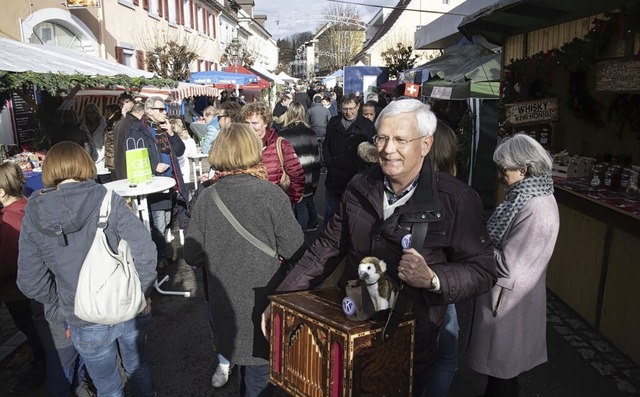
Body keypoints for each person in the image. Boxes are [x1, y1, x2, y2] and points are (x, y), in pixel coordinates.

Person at [263, 98, 497, 397]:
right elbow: (324, 248)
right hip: (353, 329)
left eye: (401, 140)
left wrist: (434, 279)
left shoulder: (456, 199)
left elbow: (483, 269)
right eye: (382, 138)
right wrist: (282, 300)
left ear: (425, 145)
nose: (387, 149)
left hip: (410, 344)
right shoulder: (360, 185)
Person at [16, 141, 157, 397]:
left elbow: (30, 281)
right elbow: (145, 251)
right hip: (126, 305)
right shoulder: (109, 200)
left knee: (107, 386)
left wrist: (64, 304)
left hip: (81, 316)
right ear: (86, 164)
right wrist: (143, 291)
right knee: (138, 368)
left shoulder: (34, 215)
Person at [184, 123, 304, 396]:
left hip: (224, 300)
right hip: (264, 301)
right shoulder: (272, 195)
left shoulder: (207, 197)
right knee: (260, 375)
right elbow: (296, 250)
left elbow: (192, 253)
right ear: (254, 150)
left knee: (239, 365)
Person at [467, 133, 559, 397]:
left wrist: (477, 245)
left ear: (524, 168)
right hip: (508, 301)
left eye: (503, 168)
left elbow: (510, 266)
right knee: (500, 375)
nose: (499, 175)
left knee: (503, 376)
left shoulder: (535, 206)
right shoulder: (526, 195)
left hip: (508, 304)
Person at [0, 161, 46, 393]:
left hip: (17, 291)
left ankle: (42, 364)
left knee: (30, 329)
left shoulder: (7, 219)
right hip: (33, 284)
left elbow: (9, 262)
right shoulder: (26, 205)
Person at [127, 96, 188, 268]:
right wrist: (154, 166)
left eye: (165, 109)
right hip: (153, 183)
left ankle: (161, 255)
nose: (164, 112)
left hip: (171, 182)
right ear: (149, 111)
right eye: (160, 109)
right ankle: (158, 259)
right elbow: (133, 155)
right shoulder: (138, 130)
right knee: (158, 222)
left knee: (168, 219)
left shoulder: (164, 128)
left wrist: (171, 132)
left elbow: (180, 151)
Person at [323, 93, 376, 222]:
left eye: (351, 108)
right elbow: (326, 144)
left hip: (355, 177)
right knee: (331, 214)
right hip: (334, 176)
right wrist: (329, 161)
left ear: (358, 107)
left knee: (352, 217)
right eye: (345, 109)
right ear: (341, 108)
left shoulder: (367, 125)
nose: (349, 112)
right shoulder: (334, 122)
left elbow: (372, 152)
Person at [241, 101, 305, 205]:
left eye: (254, 123)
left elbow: (297, 176)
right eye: (246, 123)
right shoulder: (240, 145)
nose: (249, 127)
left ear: (265, 123)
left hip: (275, 206)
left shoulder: (281, 145)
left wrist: (288, 202)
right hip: (248, 207)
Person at [278, 101, 322, 233]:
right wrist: (316, 177)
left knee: (294, 205)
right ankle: (303, 232)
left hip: (291, 174)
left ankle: (296, 235)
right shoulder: (311, 133)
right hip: (308, 174)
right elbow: (316, 158)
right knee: (303, 204)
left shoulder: (283, 134)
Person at [113, 99, 145, 180]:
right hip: (132, 169)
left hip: (121, 166)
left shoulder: (120, 123)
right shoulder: (133, 125)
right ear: (142, 112)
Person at [80, 103, 110, 183]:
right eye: (89, 113)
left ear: (97, 112)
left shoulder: (104, 125)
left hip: (103, 161)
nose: (91, 115)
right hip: (89, 162)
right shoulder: (82, 126)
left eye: (93, 112)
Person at [103, 103, 122, 173]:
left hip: (116, 159)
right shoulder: (109, 124)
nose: (106, 114)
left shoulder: (118, 125)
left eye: (108, 112)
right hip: (110, 158)